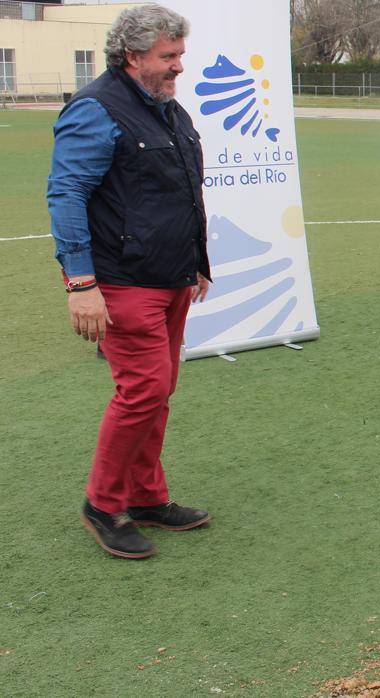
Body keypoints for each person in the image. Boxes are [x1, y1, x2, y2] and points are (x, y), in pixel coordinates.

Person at [47, 4, 212, 560]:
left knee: (159, 390)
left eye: (180, 55)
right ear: (133, 55)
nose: (179, 67)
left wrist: (198, 261)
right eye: (169, 57)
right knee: (142, 389)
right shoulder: (96, 110)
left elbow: (184, 186)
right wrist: (81, 284)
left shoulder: (168, 109)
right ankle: (102, 503)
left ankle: (145, 496)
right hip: (122, 282)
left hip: (170, 277)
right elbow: (66, 194)